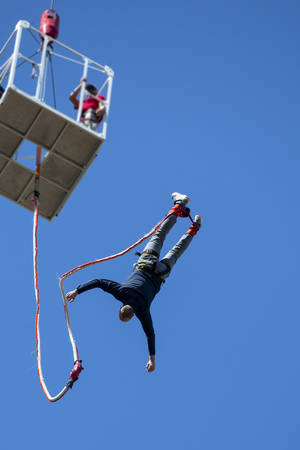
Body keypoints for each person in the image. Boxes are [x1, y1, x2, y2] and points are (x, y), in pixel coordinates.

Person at [66, 192, 202, 373]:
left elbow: (150, 335)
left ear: (131, 315)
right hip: (146, 264)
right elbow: (98, 282)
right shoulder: (121, 292)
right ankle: (179, 204)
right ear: (121, 308)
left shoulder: (142, 311)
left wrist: (152, 359)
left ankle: (195, 227)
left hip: (160, 274)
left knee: (176, 251)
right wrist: (77, 291)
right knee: (160, 235)